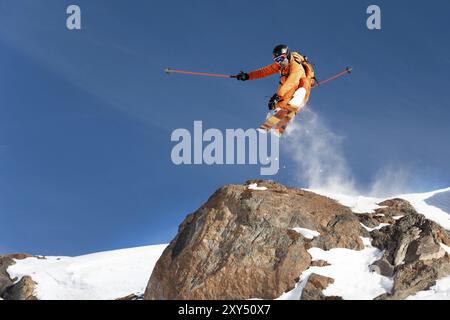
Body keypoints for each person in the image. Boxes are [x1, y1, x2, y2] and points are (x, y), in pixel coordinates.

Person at [235, 44, 314, 112]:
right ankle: (279, 111)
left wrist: (277, 96)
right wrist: (248, 76)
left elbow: (291, 82)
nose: (280, 62)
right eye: (277, 60)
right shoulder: (279, 66)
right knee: (281, 98)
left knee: (301, 86)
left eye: (281, 58)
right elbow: (263, 72)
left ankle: (294, 103)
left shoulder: (296, 67)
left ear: (287, 55)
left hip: (301, 85)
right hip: (288, 86)